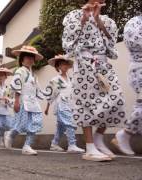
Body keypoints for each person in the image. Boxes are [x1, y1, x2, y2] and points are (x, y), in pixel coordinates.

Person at [62, 0, 127, 161]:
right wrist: (83, 20)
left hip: (103, 63)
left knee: (116, 99)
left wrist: (98, 20)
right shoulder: (73, 15)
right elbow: (68, 44)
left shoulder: (108, 20)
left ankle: (98, 138)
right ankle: (90, 147)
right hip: (84, 62)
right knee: (86, 103)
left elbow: (112, 46)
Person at [4, 46, 45, 155]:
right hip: (23, 101)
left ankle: (27, 146)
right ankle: (10, 134)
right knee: (21, 125)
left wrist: (50, 95)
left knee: (36, 122)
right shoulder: (20, 71)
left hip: (33, 103)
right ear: (22, 59)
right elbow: (17, 85)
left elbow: (39, 89)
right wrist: (16, 101)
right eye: (27, 57)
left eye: (32, 58)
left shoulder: (33, 75)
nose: (30, 60)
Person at [112, 15, 142, 156]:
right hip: (139, 69)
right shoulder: (134, 22)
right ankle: (125, 134)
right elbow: (134, 42)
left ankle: (126, 134)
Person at [44, 55, 85, 153]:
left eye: (66, 64)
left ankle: (54, 144)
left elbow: (75, 92)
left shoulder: (71, 79)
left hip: (70, 104)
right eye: (62, 64)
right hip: (61, 104)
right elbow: (50, 94)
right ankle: (72, 144)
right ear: (58, 67)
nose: (65, 66)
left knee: (61, 127)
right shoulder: (54, 80)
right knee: (70, 122)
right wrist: (47, 108)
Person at [0, 68, 14, 149]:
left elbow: (11, 99)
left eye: (2, 75)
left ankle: (1, 138)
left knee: (7, 126)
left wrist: (8, 100)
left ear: (6, 77)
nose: (1, 77)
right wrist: (0, 98)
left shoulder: (8, 88)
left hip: (5, 110)